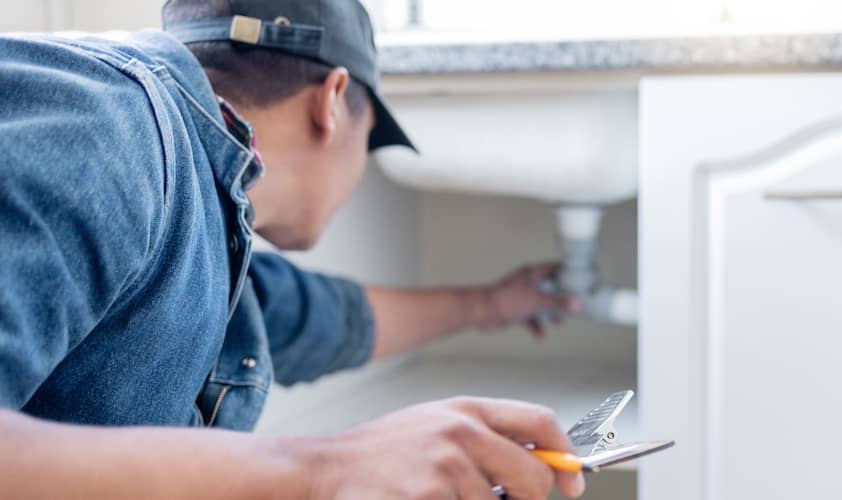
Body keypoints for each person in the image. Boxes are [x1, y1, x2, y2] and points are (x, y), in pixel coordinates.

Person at [0, 0, 586, 498]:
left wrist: (493, 304)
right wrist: (328, 469)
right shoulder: (114, 124)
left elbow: (319, 318)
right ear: (332, 100)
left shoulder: (197, 223)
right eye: (371, 139)